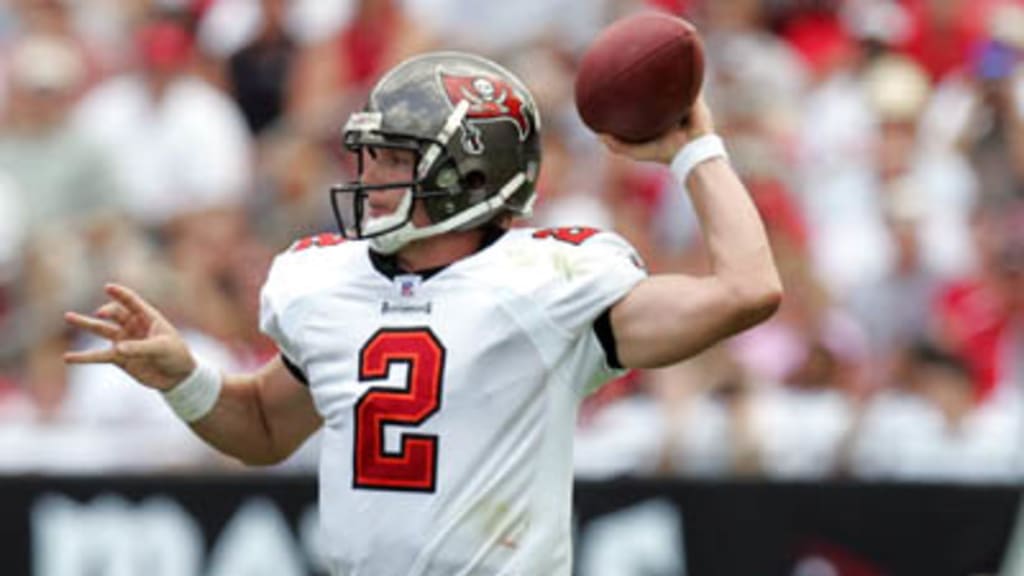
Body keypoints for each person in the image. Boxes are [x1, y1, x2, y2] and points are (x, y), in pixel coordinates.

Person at [64, 52, 781, 575]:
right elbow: (262, 429)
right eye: (367, 155)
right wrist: (185, 378)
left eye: (392, 158)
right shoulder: (325, 282)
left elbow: (747, 289)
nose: (367, 177)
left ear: (470, 173)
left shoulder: (549, 283)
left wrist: (696, 152)